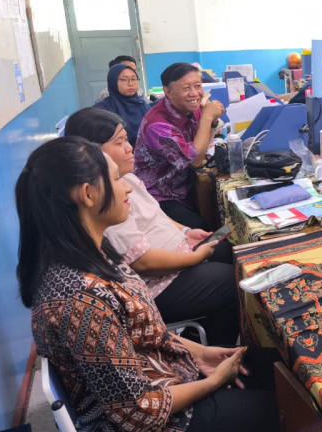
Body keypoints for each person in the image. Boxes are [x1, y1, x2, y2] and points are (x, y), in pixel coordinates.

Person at [16, 136, 280, 432]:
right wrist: (214, 382)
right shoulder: (81, 300)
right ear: (88, 194)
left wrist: (199, 353)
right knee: (295, 408)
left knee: (282, 368)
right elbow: (139, 411)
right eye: (116, 180)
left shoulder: (93, 253)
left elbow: (143, 334)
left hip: (168, 376)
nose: (127, 188)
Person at [65, 108, 240, 346]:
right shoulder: (106, 202)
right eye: (119, 142)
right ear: (91, 152)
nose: (129, 148)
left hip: (177, 255)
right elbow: (143, 262)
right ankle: (216, 353)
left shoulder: (127, 179)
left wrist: (185, 232)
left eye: (127, 139)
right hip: (158, 284)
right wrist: (194, 258)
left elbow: (156, 214)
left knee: (229, 251)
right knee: (233, 280)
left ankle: (204, 335)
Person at [134, 62, 226, 229]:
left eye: (198, 86)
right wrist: (207, 117)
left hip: (183, 186)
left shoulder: (190, 108)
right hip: (158, 195)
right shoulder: (158, 125)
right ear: (168, 92)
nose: (194, 93)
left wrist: (212, 122)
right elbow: (195, 160)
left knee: (218, 211)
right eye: (186, 88)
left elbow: (202, 146)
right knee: (201, 228)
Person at [94, 63, 152, 147]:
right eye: (124, 80)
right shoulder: (102, 109)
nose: (130, 84)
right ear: (113, 82)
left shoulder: (143, 105)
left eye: (134, 79)